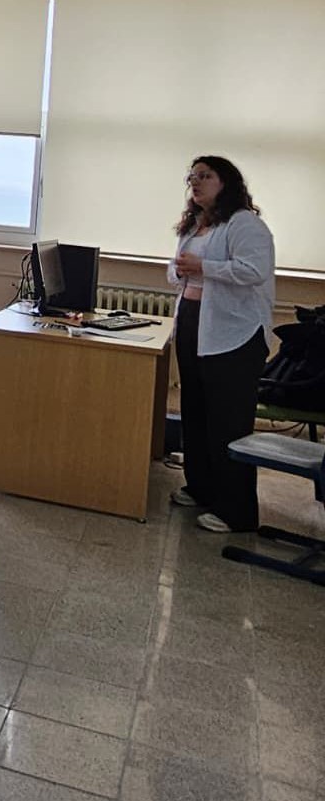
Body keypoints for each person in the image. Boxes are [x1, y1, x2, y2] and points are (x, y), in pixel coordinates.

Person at [168, 155, 274, 533]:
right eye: (192, 177)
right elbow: (177, 269)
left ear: (225, 182)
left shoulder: (245, 224)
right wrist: (181, 268)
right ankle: (201, 488)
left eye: (205, 176)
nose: (195, 182)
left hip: (235, 333)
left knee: (227, 420)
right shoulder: (196, 223)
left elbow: (253, 271)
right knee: (195, 410)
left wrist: (203, 268)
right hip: (194, 323)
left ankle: (237, 511)